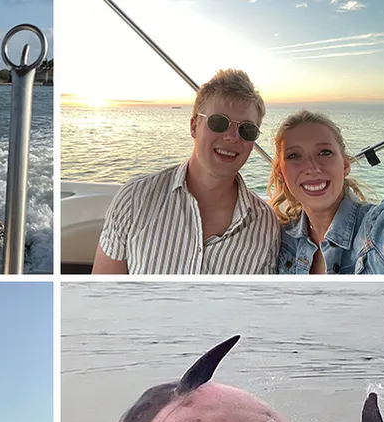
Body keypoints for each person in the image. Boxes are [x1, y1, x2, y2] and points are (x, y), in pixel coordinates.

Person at [93, 69, 279, 274]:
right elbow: (102, 295)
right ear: (194, 126)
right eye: (219, 122)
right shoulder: (135, 199)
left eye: (246, 129)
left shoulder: (266, 225)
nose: (232, 137)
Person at [269, 110, 384, 274]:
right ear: (281, 173)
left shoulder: (380, 228)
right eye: (294, 155)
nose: (312, 167)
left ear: (345, 165)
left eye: (325, 152)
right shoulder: (280, 238)